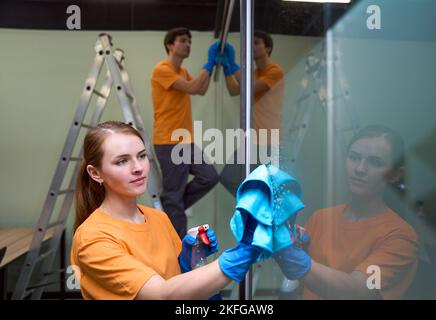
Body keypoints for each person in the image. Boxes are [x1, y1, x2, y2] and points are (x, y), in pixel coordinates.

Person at [70, 121, 260, 300]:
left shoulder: (158, 218)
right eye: (122, 161)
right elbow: (162, 294)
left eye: (142, 156)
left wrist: (187, 262)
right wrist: (244, 253)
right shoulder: (92, 239)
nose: (138, 168)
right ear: (95, 173)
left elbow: (178, 283)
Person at [275, 125, 419, 299]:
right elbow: (295, 285)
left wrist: (292, 257)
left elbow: (357, 290)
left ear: (395, 175)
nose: (359, 169)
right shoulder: (320, 218)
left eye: (375, 162)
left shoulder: (400, 237)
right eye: (353, 157)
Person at [151, 27, 220, 237]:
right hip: (169, 141)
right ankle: (179, 251)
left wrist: (214, 65)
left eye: (189, 40)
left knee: (209, 177)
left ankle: (173, 205)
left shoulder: (182, 72)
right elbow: (192, 88)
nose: (188, 44)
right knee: (174, 198)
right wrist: (208, 64)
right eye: (182, 40)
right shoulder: (162, 69)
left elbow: (201, 89)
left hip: (185, 142)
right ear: (170, 45)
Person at [219, 31, 285, 196]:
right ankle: (254, 207)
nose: (251, 47)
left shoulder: (275, 71)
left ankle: (263, 214)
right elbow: (235, 89)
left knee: (269, 188)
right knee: (229, 177)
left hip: (269, 139)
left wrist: (234, 65)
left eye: (256, 43)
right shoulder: (253, 74)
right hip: (251, 139)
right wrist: (227, 70)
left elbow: (250, 86)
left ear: (268, 48)